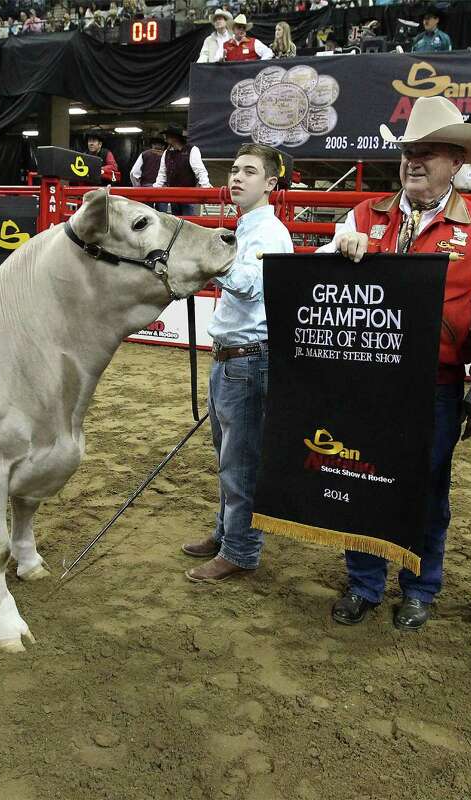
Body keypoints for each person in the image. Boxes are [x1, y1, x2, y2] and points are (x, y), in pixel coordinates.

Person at [318, 96, 471, 629]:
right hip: (365, 380)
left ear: (456, 161)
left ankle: (419, 586)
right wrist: (336, 251)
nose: (414, 161)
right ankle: (365, 582)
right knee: (359, 478)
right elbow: (315, 287)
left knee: (426, 491)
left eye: (429, 152)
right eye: (408, 151)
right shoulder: (362, 215)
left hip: (435, 384)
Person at [180, 142, 294, 583]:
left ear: (270, 183)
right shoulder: (248, 229)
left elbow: (249, 284)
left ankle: (241, 549)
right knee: (230, 455)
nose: (236, 177)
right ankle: (227, 533)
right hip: (234, 359)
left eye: (249, 171)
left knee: (240, 460)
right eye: (233, 169)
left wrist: (207, 259)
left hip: (247, 359)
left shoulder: (266, 233)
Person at [153, 126, 212, 217]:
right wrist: (156, 189)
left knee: (188, 221)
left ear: (175, 137)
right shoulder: (167, 153)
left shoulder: (192, 150)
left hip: (188, 195)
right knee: (177, 221)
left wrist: (206, 187)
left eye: (168, 135)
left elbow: (200, 171)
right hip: (173, 195)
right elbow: (162, 174)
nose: (165, 138)